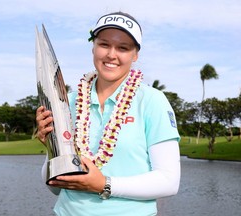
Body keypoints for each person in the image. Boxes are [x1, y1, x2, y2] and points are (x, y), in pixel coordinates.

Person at [36, 11, 181, 216]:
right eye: (104, 44)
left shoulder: (152, 101)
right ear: (93, 46)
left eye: (123, 48)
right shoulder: (68, 100)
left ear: (135, 54)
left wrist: (104, 184)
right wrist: (52, 149)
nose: (111, 55)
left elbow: (169, 181)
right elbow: (55, 188)